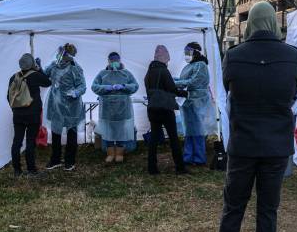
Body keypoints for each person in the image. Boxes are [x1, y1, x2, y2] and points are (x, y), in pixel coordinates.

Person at [208, 1, 297, 232]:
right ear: (274, 23)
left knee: (232, 211)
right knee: (267, 214)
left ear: (249, 26)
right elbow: (293, 92)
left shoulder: (234, 56)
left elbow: (228, 86)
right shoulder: (292, 57)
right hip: (275, 145)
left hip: (243, 144)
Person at [144, 45, 188, 175]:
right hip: (165, 109)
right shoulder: (163, 70)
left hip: (152, 108)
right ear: (164, 58)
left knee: (153, 139)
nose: (168, 62)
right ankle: (180, 167)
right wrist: (185, 93)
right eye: (167, 59)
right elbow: (172, 89)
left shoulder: (149, 72)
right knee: (173, 138)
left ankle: (152, 168)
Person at [43, 43, 86, 171]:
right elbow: (45, 75)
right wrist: (48, 65)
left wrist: (75, 92)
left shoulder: (75, 68)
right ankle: (55, 159)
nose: (60, 55)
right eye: (60, 53)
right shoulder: (55, 65)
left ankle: (70, 161)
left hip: (71, 105)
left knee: (71, 133)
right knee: (56, 132)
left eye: (62, 53)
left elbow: (82, 86)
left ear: (68, 55)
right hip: (55, 104)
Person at [8, 53, 51, 177]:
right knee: (30, 142)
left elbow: (9, 97)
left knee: (17, 141)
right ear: (32, 64)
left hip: (18, 115)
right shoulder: (35, 75)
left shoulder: (14, 77)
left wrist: (15, 110)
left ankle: (17, 170)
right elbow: (48, 82)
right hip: (33, 115)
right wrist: (39, 68)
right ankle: (31, 169)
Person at [91, 52, 139, 163]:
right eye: (112, 60)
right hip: (107, 109)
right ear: (108, 61)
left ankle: (119, 154)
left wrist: (124, 86)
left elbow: (135, 86)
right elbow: (94, 86)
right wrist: (105, 87)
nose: (114, 62)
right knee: (108, 131)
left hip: (123, 108)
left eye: (116, 60)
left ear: (120, 60)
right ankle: (110, 153)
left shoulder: (126, 73)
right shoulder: (102, 74)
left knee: (121, 131)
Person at [174, 42, 217, 165]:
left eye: (189, 53)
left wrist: (175, 83)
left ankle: (199, 158)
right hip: (188, 102)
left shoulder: (201, 65)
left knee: (198, 130)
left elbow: (194, 82)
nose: (186, 55)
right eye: (185, 53)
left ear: (196, 52)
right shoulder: (189, 66)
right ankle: (188, 157)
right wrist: (174, 79)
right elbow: (185, 79)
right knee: (189, 130)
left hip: (198, 101)